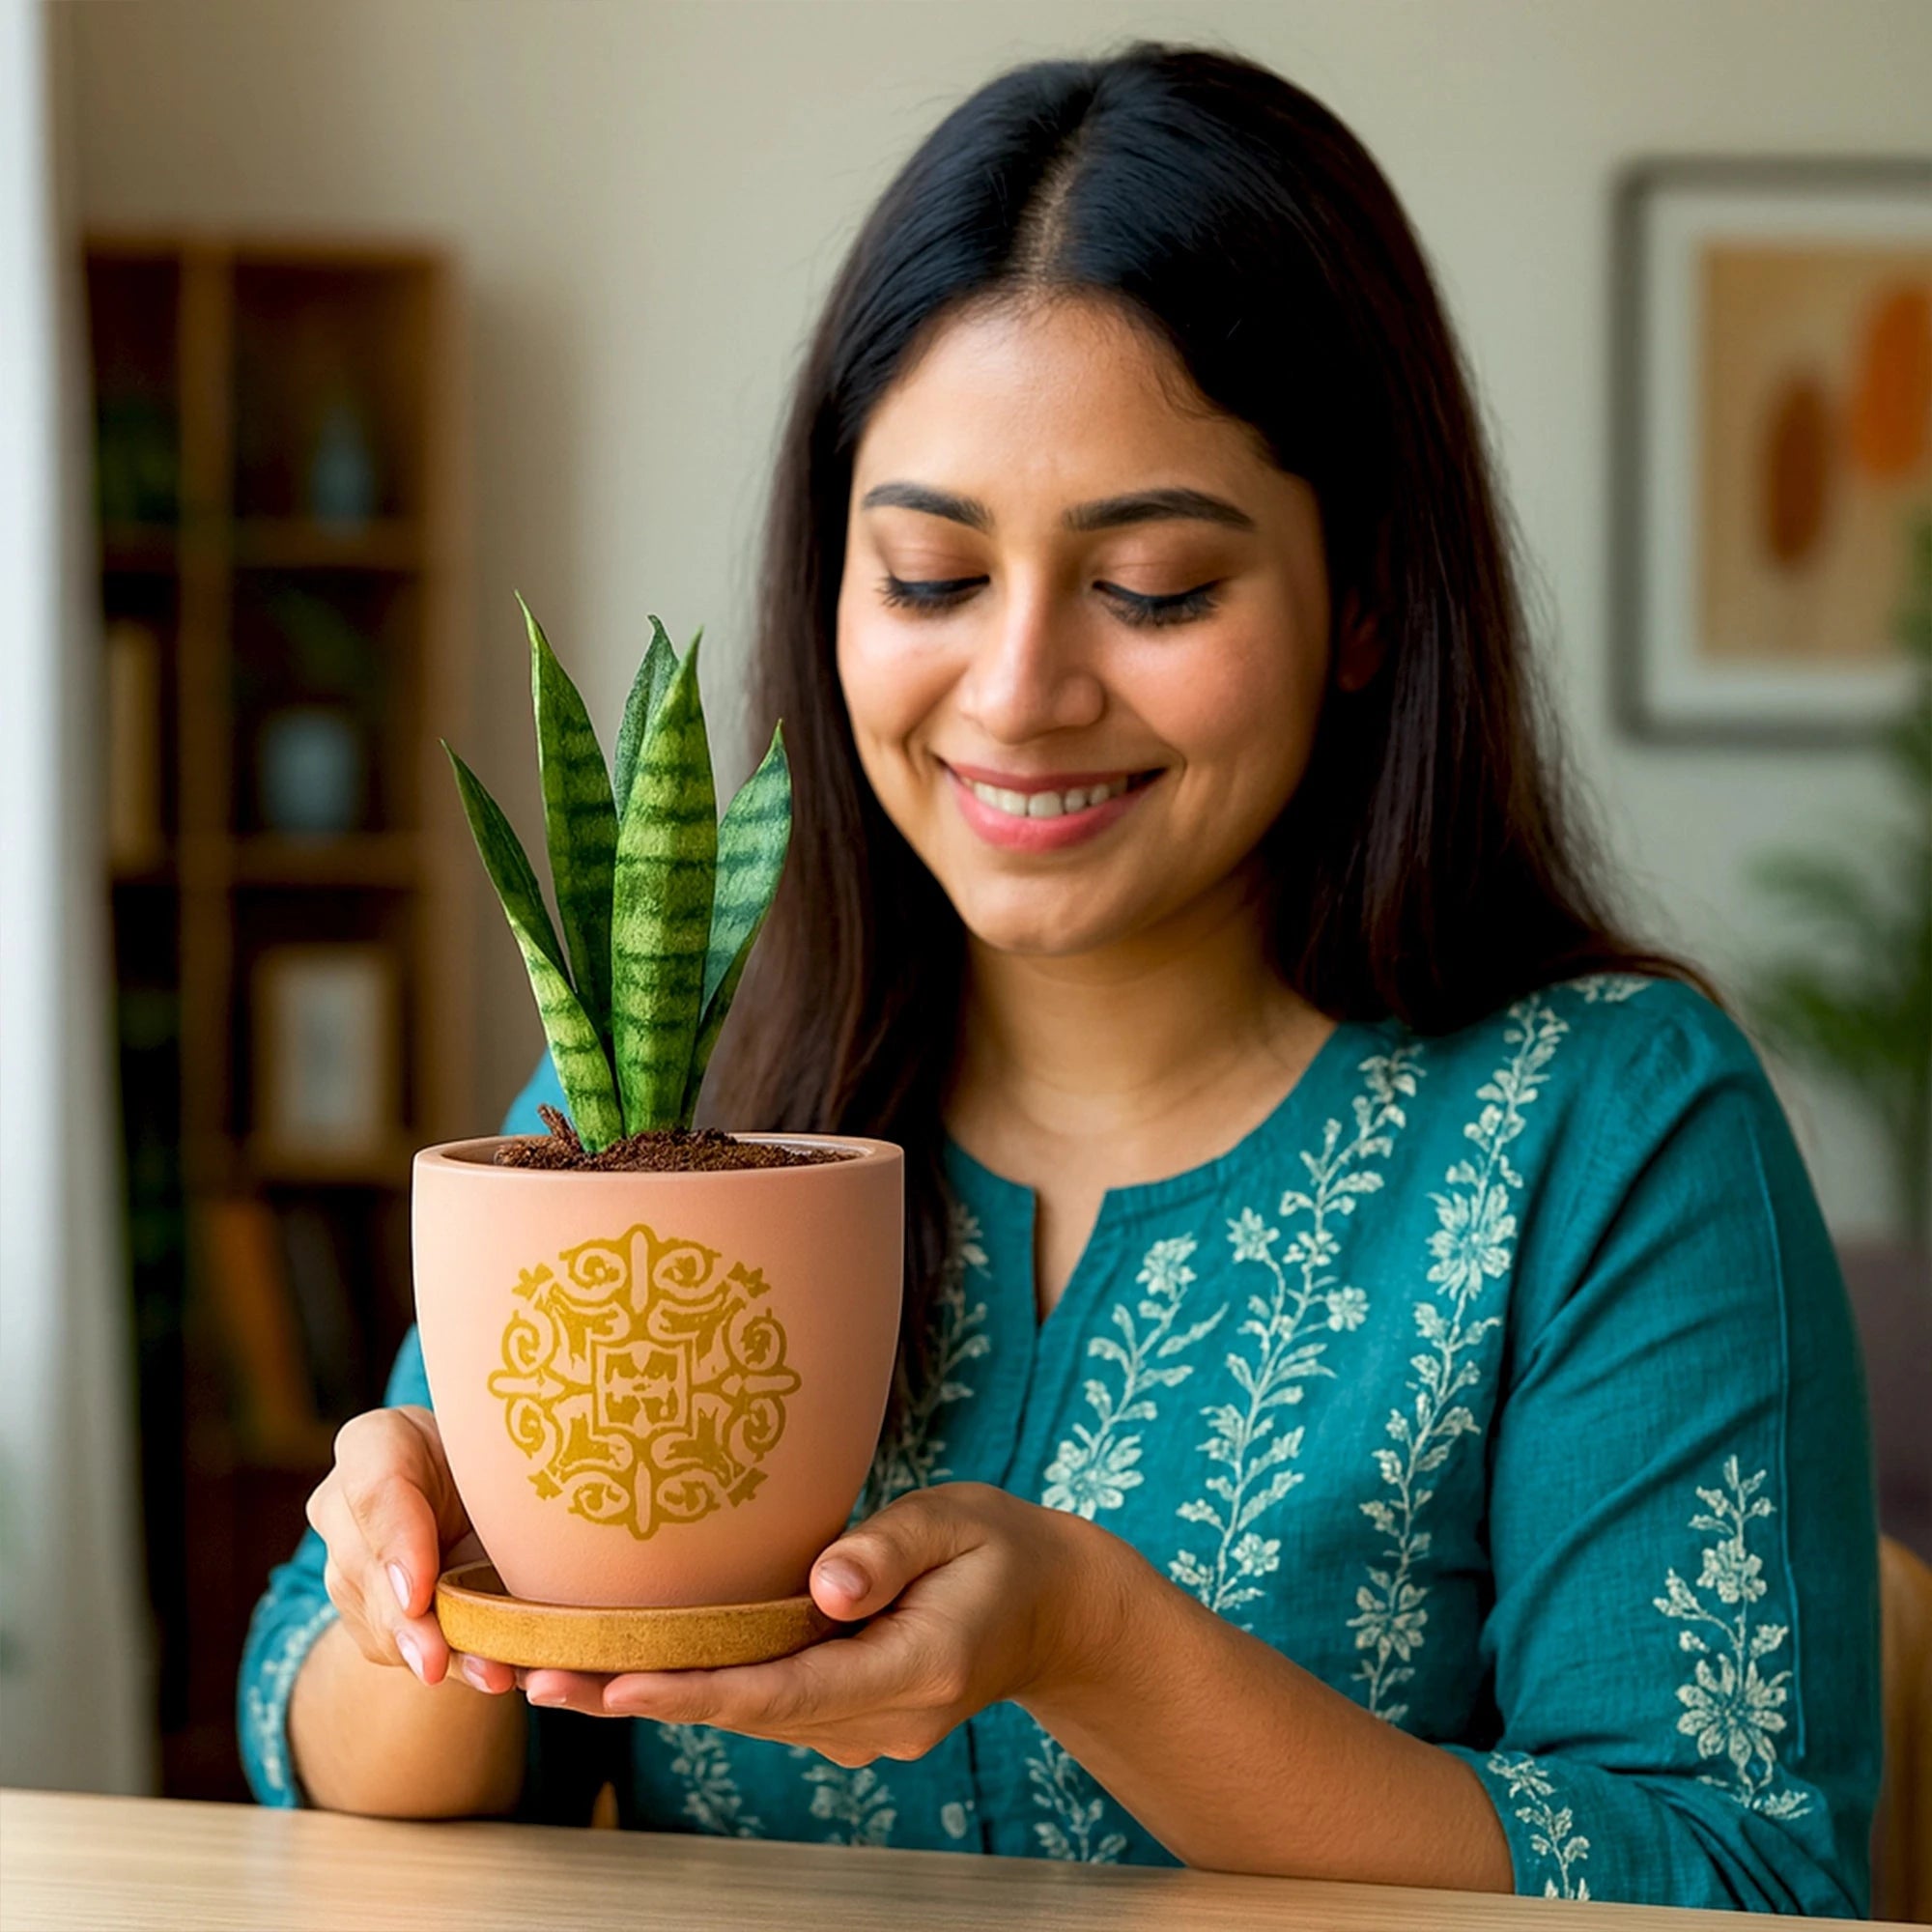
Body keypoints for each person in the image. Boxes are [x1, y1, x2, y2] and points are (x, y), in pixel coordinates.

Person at [238, 40, 1882, 1912]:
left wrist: (1093, 1645)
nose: (1018, 691)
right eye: (932, 576)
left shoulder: (1609, 1133)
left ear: (1364, 606)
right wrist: (415, 1595)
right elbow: (322, 1736)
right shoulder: (671, 1098)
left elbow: (1740, 1884)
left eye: (1156, 589)